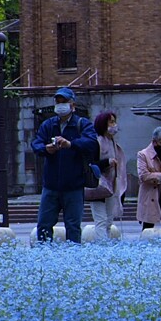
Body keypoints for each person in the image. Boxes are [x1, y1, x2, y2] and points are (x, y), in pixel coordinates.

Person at [31, 87, 99, 243]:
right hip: (51, 185)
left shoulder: (82, 124)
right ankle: (44, 255)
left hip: (74, 185)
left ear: (72, 105)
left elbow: (92, 143)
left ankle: (73, 257)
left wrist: (71, 144)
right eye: (58, 101)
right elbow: (36, 144)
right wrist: (46, 149)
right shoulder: (48, 124)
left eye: (64, 102)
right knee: (44, 224)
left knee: (73, 226)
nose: (61, 105)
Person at [90, 111, 128, 240]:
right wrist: (107, 162)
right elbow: (91, 164)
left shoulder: (113, 143)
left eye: (114, 121)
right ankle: (102, 246)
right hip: (98, 185)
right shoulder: (97, 142)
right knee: (100, 219)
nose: (114, 125)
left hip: (112, 185)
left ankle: (106, 242)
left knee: (109, 220)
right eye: (111, 122)